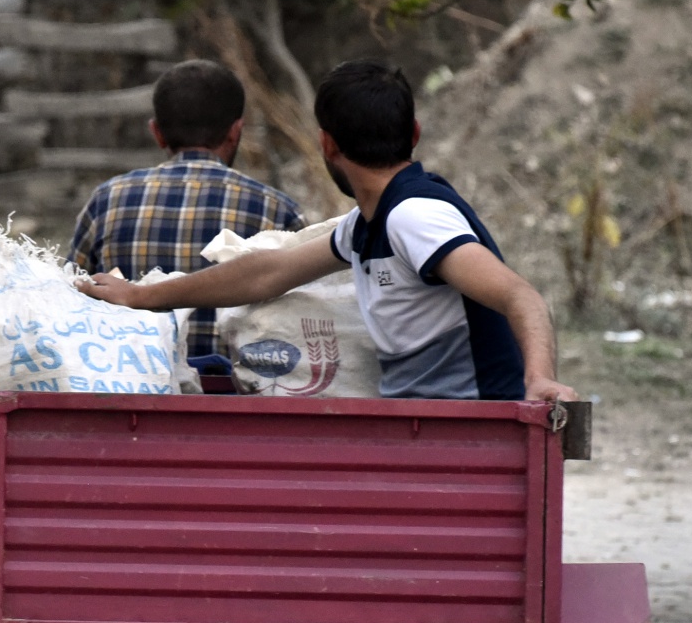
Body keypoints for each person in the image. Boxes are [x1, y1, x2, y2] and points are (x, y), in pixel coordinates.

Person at [78, 60, 577, 403]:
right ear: (415, 133)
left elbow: (522, 297)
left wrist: (538, 382)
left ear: (327, 144)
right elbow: (265, 274)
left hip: (466, 435)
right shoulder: (370, 222)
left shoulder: (414, 217)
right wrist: (144, 297)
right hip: (425, 432)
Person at [67, 59, 305, 363]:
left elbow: (74, 297)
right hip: (240, 398)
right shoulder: (279, 210)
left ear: (157, 133)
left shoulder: (106, 201)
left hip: (136, 390)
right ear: (235, 131)